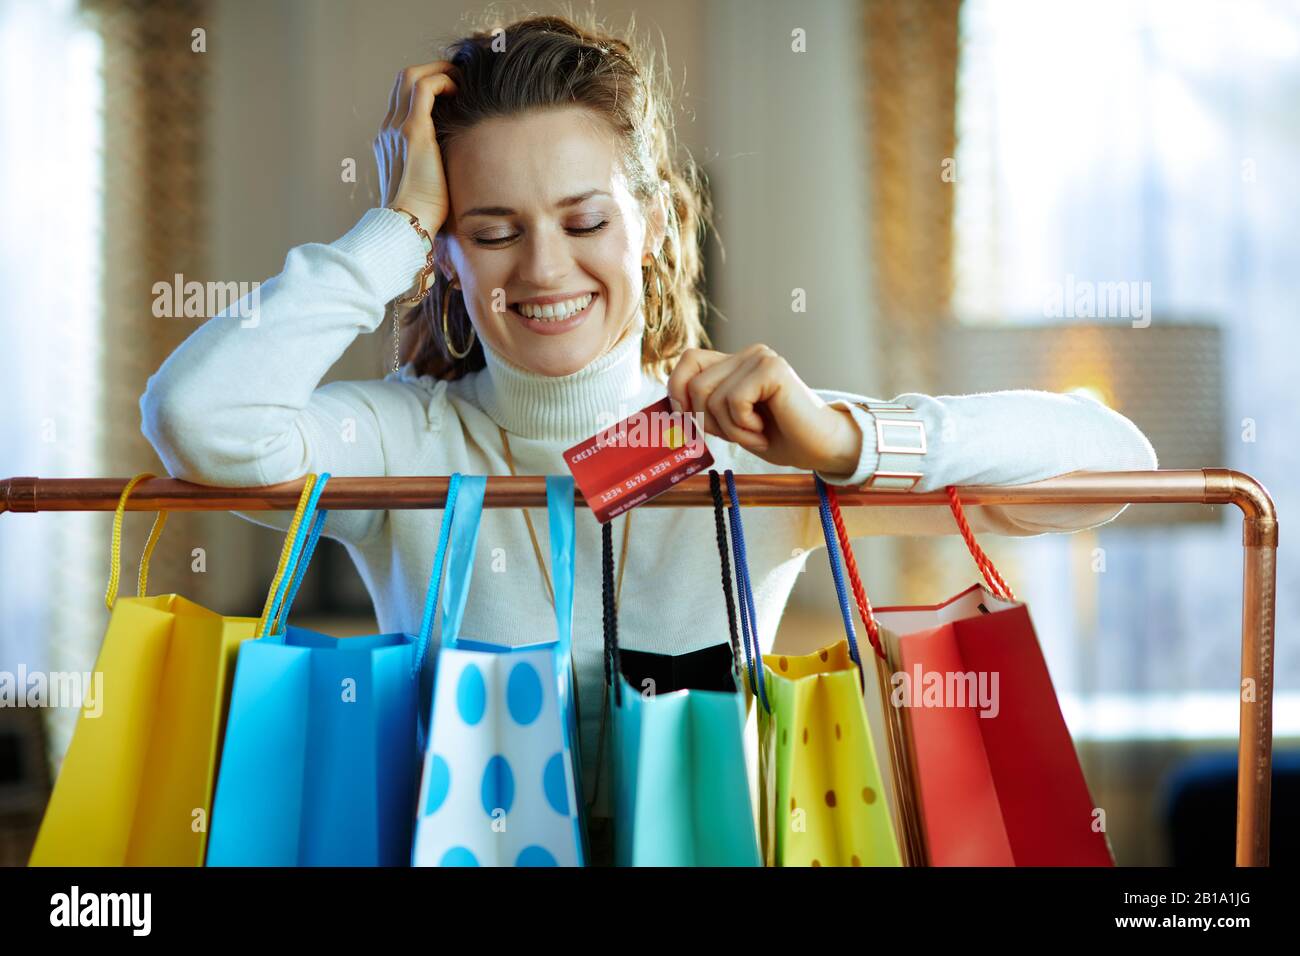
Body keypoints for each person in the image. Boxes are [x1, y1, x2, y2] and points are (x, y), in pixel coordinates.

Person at [138, 12, 1157, 864]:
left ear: (657, 220)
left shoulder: (751, 440)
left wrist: (846, 439)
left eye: (584, 220)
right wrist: (392, 226)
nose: (543, 269)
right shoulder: (401, 440)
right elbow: (197, 416)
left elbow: (1117, 467)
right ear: (446, 256)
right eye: (491, 230)